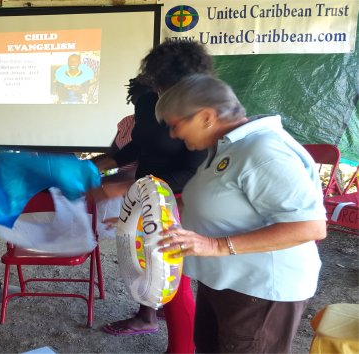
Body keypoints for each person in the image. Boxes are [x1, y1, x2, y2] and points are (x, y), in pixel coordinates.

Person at [154, 74, 326, 353]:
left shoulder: (263, 150)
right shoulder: (227, 147)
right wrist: (146, 219)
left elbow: (309, 227)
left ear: (207, 117)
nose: (173, 134)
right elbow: (213, 205)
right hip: (227, 281)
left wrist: (214, 245)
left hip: (260, 291)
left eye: (176, 125)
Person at [93, 41, 214, 354]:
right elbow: (141, 143)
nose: (161, 95)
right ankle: (147, 315)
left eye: (166, 88)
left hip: (180, 197)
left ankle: (181, 349)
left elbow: (192, 169)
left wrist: (126, 189)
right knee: (144, 260)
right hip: (147, 192)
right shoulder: (148, 97)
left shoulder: (203, 108)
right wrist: (102, 165)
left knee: (173, 275)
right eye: (157, 86)